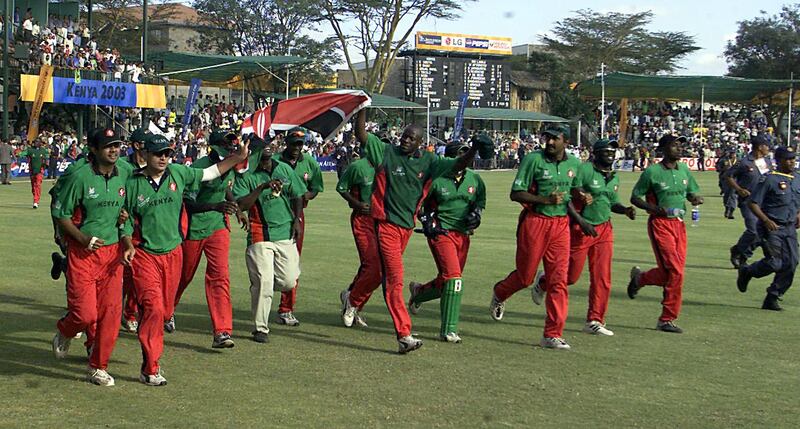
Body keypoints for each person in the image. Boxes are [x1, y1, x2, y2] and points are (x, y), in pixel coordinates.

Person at [341, 109, 482, 354]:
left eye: (411, 138)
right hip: (385, 225)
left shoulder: (429, 162)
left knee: (378, 273)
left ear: (420, 143)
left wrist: (473, 149)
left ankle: (352, 300)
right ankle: (404, 334)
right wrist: (362, 107)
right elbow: (362, 135)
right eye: (404, 136)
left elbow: (459, 164)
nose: (405, 140)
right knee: (394, 280)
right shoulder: (386, 153)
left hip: (406, 228)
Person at [120, 134, 248, 386]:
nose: (163, 158)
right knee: (155, 309)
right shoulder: (132, 182)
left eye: (167, 153)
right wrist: (125, 242)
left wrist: (237, 158)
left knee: (165, 311)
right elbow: (123, 217)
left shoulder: (178, 173)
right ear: (144, 154)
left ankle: (154, 333)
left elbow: (210, 173)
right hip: (144, 253)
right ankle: (151, 366)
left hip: (174, 252)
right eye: (158, 153)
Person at [489, 124, 590, 350]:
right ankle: (500, 292)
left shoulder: (574, 163)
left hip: (561, 225)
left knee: (559, 281)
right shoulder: (533, 160)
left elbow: (572, 192)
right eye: (548, 138)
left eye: (556, 138)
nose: (551, 143)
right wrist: (545, 200)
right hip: (535, 222)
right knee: (525, 277)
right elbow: (515, 193)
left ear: (566, 141)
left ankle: (552, 334)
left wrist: (581, 196)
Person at [50, 128, 133, 386]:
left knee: (110, 314)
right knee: (85, 315)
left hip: (112, 255)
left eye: (117, 145)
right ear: (94, 150)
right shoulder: (79, 175)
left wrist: (127, 235)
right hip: (83, 253)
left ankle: (98, 366)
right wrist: (83, 238)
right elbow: (61, 213)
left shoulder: (126, 172)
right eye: (107, 146)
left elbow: (128, 209)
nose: (114, 150)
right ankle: (65, 330)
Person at [530, 139, 636, 337]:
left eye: (613, 151)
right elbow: (571, 191)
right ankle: (543, 281)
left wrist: (625, 210)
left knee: (603, 277)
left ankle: (595, 319)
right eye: (606, 151)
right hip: (581, 228)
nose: (611, 154)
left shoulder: (613, 177)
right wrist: (580, 194)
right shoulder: (584, 170)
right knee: (570, 276)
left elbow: (612, 202)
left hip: (605, 229)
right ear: (596, 153)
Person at [172, 130, 247, 348]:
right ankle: (166, 312)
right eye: (225, 148)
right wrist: (215, 206)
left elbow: (226, 189)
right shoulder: (199, 167)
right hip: (194, 228)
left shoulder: (230, 164)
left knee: (220, 276)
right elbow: (188, 204)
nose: (230, 152)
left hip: (218, 226)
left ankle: (222, 331)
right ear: (213, 149)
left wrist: (238, 209)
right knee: (183, 275)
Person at [406, 143, 486, 343]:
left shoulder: (475, 179)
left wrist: (476, 216)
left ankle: (418, 293)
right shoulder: (436, 179)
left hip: (463, 235)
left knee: (448, 282)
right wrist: (428, 221)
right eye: (461, 154)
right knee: (454, 278)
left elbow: (479, 203)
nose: (465, 158)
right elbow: (420, 205)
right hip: (441, 233)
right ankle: (449, 330)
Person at [628, 134, 704, 334]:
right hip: (660, 224)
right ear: (663, 149)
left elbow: (690, 192)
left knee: (671, 272)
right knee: (676, 272)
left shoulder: (685, 170)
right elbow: (635, 198)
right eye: (674, 145)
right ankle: (666, 319)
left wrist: (695, 198)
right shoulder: (652, 172)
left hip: (679, 224)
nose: (679, 148)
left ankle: (641, 279)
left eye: (681, 145)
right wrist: (653, 208)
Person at [234, 142, 305, 344]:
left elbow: (298, 194)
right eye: (262, 145)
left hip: (284, 231)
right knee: (264, 283)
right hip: (259, 233)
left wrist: (297, 219)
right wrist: (262, 187)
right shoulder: (247, 174)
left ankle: (260, 285)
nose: (268, 147)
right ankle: (260, 328)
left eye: (270, 144)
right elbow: (242, 204)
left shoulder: (283, 168)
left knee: (288, 281)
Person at [271, 127, 324, 327]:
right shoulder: (274, 160)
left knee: (292, 264)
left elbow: (316, 188)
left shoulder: (309, 162)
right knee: (267, 264)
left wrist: (303, 196)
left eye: (300, 144)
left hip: (296, 216)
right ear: (287, 142)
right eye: (294, 143)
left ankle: (286, 309)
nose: (297, 147)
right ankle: (262, 303)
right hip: (272, 214)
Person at [736, 147, 800, 311]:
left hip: (789, 228)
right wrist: (765, 220)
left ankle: (772, 296)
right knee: (774, 263)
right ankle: (748, 271)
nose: (791, 162)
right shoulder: (769, 179)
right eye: (787, 159)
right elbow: (753, 202)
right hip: (771, 227)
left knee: (791, 264)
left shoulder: (797, 178)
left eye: (793, 158)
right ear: (778, 161)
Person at [336, 152, 376, 328]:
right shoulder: (358, 166)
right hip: (363, 220)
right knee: (371, 264)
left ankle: (352, 299)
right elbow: (341, 188)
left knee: (379, 269)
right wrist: (358, 204)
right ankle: (353, 303)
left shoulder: (391, 165)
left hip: (384, 221)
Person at [119, 128, 150, 333]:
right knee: (115, 274)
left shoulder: (154, 166)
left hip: (143, 228)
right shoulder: (122, 165)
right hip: (119, 225)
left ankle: (130, 313)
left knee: (135, 276)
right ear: (137, 145)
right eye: (148, 144)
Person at [726, 135, 773, 268]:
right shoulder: (744, 162)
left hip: (765, 201)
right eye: (766, 146)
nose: (768, 148)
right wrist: (739, 189)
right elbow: (728, 176)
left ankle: (742, 253)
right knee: (753, 230)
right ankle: (738, 252)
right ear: (760, 147)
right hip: (748, 201)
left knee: (764, 231)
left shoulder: (767, 162)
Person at [19, 139, 49, 208]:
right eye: (34, 142)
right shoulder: (30, 150)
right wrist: (19, 153)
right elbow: (21, 154)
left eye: (37, 142)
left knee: (37, 185)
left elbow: (46, 157)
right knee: (33, 186)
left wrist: (45, 164)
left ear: (40, 143)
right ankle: (35, 198)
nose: (35, 143)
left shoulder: (43, 150)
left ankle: (36, 201)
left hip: (40, 171)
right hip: (32, 171)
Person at [715, 150, 738, 219]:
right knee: (727, 195)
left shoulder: (738, 161)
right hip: (725, 180)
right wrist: (722, 170)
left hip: (735, 180)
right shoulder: (723, 160)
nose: (732, 155)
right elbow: (717, 167)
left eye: (733, 153)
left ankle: (731, 212)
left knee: (733, 196)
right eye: (731, 153)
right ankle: (727, 209)